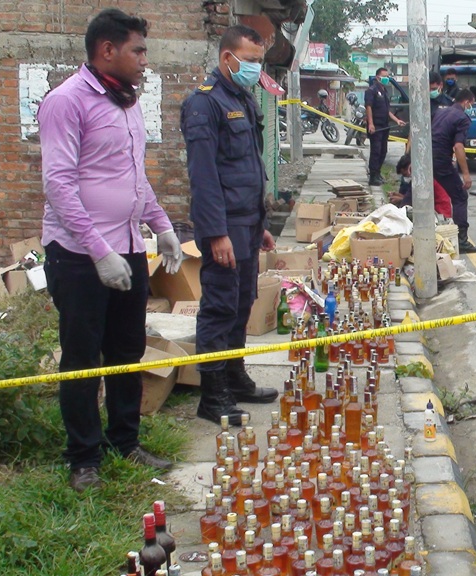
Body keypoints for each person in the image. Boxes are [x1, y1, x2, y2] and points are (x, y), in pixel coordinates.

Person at [39, 8, 178, 492]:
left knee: (126, 348)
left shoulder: (127, 102)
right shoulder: (66, 102)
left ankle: (125, 441)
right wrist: (98, 250)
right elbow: (59, 185)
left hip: (128, 248)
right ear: (107, 50)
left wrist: (160, 226)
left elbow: (134, 177)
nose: (144, 60)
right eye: (138, 50)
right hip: (79, 255)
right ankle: (83, 458)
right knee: (82, 356)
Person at [181, 24, 281, 426]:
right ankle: (213, 392)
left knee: (241, 304)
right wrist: (216, 232)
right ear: (228, 58)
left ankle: (236, 377)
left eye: (259, 62)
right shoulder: (204, 105)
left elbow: (248, 169)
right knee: (219, 307)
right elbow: (204, 176)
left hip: (247, 224)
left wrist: (261, 223)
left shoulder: (243, 98)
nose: (256, 69)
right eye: (251, 61)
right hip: (223, 228)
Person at [432, 88, 476, 253]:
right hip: (441, 161)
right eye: (471, 104)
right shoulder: (462, 118)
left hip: (426, 159)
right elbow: (459, 146)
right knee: (460, 196)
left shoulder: (440, 112)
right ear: (466, 102)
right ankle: (462, 240)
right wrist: (466, 174)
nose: (470, 108)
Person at [365, 67, 407, 186]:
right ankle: (373, 176)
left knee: (383, 151)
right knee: (376, 151)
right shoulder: (371, 91)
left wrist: (397, 120)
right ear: (378, 77)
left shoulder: (384, 92)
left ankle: (378, 173)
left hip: (384, 126)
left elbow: (387, 110)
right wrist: (371, 124)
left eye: (388, 77)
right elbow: (369, 107)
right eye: (384, 77)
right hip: (376, 126)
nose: (387, 79)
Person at [388, 153, 453, 219]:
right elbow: (413, 197)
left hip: (440, 212)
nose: (406, 177)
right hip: (437, 208)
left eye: (405, 174)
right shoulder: (422, 174)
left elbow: (410, 202)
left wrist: (399, 203)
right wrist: (399, 197)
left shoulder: (421, 179)